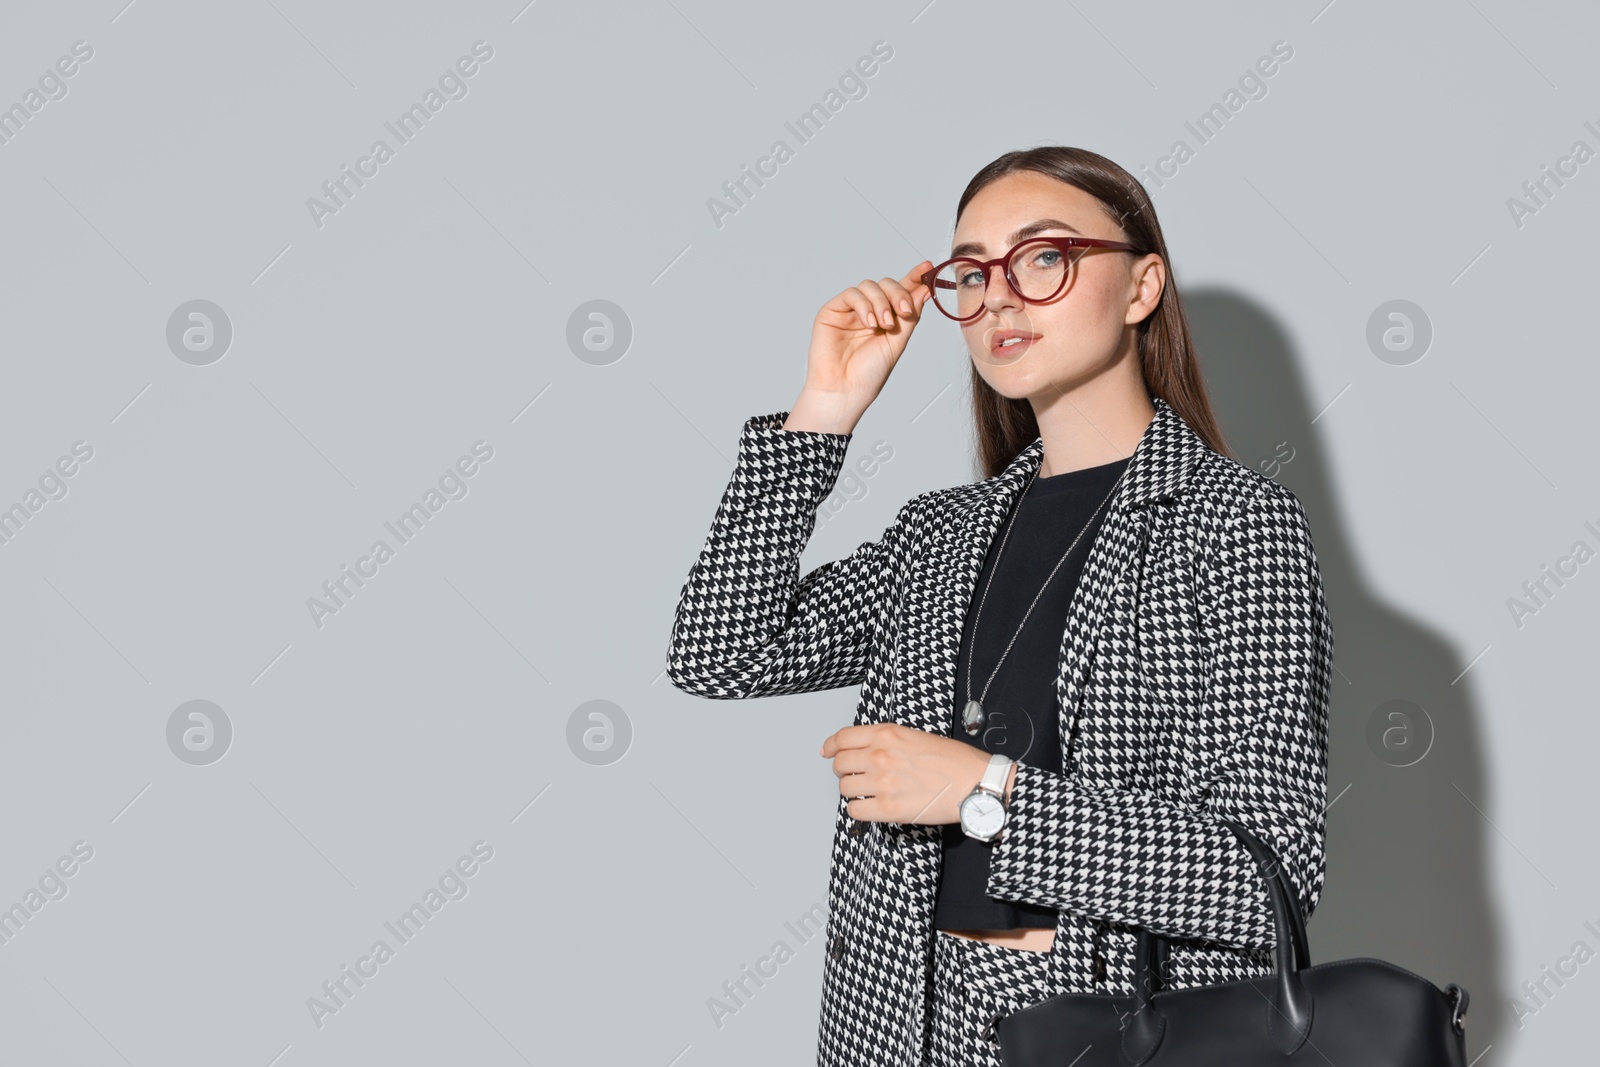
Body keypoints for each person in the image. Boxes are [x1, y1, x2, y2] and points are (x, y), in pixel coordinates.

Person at [665, 145, 1333, 1067]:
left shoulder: (1233, 523)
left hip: (1107, 1024)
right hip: (895, 1019)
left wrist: (984, 794)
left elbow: (1266, 880)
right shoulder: (941, 536)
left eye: (1043, 257)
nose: (1001, 297)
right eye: (972, 273)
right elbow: (720, 651)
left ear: (1142, 287)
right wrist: (824, 412)